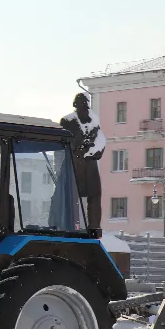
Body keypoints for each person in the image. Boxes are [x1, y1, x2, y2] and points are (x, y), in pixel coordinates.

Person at [59, 92, 106, 231]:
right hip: (74, 164)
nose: (84, 106)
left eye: (86, 103)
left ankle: (94, 227)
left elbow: (101, 140)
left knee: (95, 195)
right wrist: (79, 146)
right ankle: (70, 226)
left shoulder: (94, 121)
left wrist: (95, 151)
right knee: (71, 196)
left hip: (90, 165)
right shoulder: (67, 121)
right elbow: (62, 143)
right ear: (75, 105)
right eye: (81, 103)